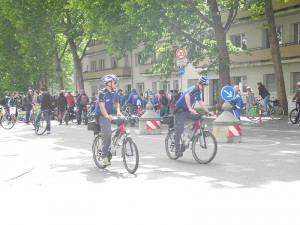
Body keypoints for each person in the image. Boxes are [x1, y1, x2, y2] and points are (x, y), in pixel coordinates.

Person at [173, 76, 214, 157]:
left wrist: (208, 112)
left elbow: (201, 102)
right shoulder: (195, 89)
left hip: (187, 111)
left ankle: (190, 135)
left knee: (199, 117)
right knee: (179, 130)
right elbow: (186, 96)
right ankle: (177, 150)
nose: (205, 87)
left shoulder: (198, 92)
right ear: (202, 84)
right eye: (205, 85)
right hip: (180, 111)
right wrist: (190, 108)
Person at [95, 74, 122, 166]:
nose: (116, 84)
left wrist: (118, 111)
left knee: (124, 121)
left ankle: (117, 140)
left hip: (111, 114)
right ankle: (104, 155)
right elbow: (101, 106)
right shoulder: (102, 93)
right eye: (115, 82)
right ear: (108, 83)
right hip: (102, 116)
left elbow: (117, 103)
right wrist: (106, 116)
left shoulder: (115, 93)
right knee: (107, 133)